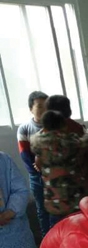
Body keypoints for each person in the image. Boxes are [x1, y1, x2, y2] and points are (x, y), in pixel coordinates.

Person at [30, 110, 88, 225]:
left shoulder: (39, 145)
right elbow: (83, 143)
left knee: (57, 229)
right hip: (73, 200)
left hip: (53, 203)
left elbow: (38, 164)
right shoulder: (69, 142)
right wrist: (87, 134)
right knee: (76, 229)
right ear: (63, 125)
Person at [46, 94, 88, 196]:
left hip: (56, 191)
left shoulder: (42, 135)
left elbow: (38, 164)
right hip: (83, 186)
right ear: (69, 110)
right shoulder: (79, 130)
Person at [17, 90, 49, 236]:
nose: (44, 110)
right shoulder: (24, 128)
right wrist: (37, 170)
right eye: (40, 106)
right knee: (42, 210)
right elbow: (24, 154)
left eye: (47, 106)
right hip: (37, 177)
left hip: (56, 175)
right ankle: (46, 241)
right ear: (31, 109)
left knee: (58, 210)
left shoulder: (54, 126)